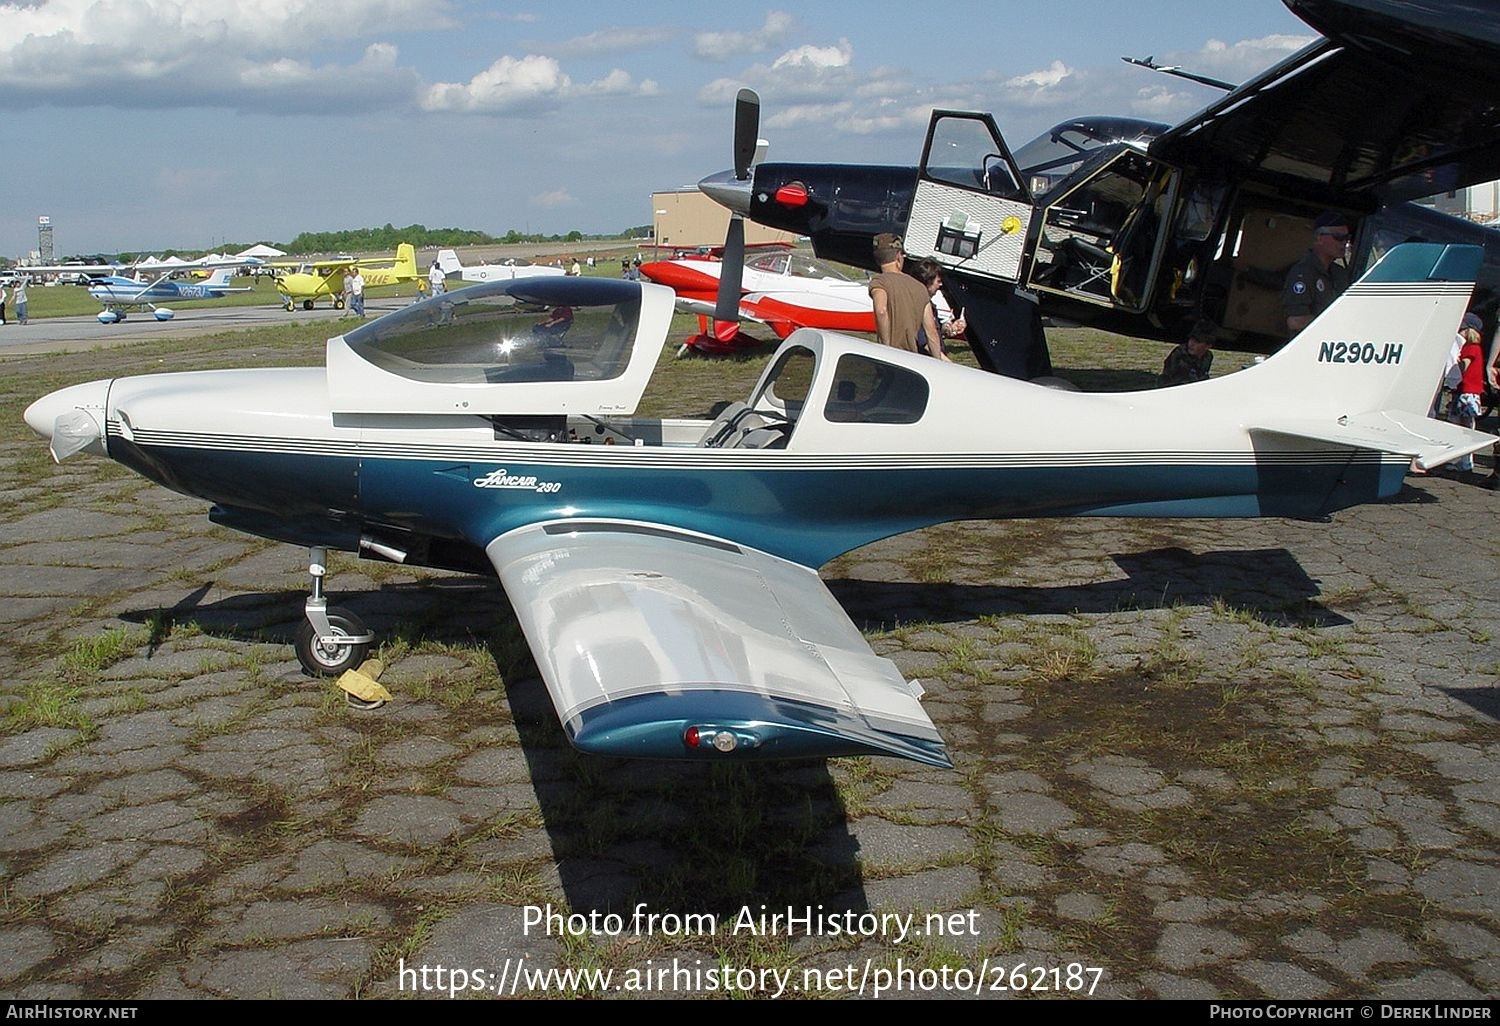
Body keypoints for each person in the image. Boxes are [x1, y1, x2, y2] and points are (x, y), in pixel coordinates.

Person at [868, 233, 942, 355]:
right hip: (910, 357)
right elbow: (932, 332)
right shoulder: (919, 287)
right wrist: (939, 362)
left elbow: (881, 310)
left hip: (889, 355)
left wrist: (885, 347)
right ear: (898, 256)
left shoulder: (880, 282)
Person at [1282, 212, 1352, 335]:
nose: (1344, 243)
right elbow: (1296, 321)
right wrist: (1334, 323)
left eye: (1346, 238)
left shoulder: (1340, 274)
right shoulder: (1303, 272)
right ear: (1319, 238)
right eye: (1338, 237)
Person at [1450, 312, 1486, 473]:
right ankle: (1463, 460)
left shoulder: (1471, 348)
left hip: (1466, 392)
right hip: (1467, 392)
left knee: (1462, 426)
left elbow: (1464, 365)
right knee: (1464, 425)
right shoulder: (1475, 348)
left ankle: (1464, 460)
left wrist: (1454, 362)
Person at [908, 259, 959, 361]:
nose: (940, 285)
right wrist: (948, 364)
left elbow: (935, 330)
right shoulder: (918, 306)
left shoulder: (930, 305)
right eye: (938, 281)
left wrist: (946, 329)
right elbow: (926, 343)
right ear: (928, 281)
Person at [1159, 318, 1217, 386]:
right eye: (1191, 339)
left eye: (1197, 342)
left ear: (1208, 346)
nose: (1191, 344)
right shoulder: (1180, 353)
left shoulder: (1208, 357)